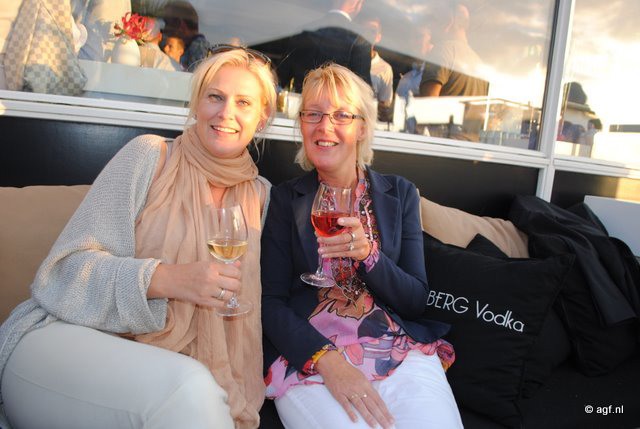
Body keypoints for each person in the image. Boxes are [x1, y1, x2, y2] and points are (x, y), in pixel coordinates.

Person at [0, 46, 277, 429]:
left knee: (197, 391)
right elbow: (62, 274)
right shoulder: (150, 156)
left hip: (162, 375)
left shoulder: (259, 197)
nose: (226, 112)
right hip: (64, 342)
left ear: (262, 118)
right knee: (191, 388)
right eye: (215, 96)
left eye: (243, 102)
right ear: (197, 104)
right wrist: (166, 279)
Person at [261, 63, 463, 429]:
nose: (324, 127)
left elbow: (415, 300)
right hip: (312, 356)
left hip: (397, 350)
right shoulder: (285, 199)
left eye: (341, 115)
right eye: (313, 114)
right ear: (301, 124)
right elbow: (270, 302)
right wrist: (326, 360)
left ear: (362, 128)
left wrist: (369, 256)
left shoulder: (400, 193)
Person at [276, 0, 372, 93]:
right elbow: (363, 89)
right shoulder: (360, 38)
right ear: (356, 3)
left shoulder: (303, 32)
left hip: (303, 101)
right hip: (336, 102)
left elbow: (279, 79)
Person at [419, 2, 488, 97]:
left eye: (434, 19)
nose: (430, 27)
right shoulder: (479, 63)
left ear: (449, 21)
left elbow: (428, 102)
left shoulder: (442, 51)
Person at [359, 14, 393, 122]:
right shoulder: (347, 59)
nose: (367, 33)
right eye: (364, 30)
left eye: (372, 31)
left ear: (378, 37)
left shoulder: (385, 69)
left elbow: (384, 105)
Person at [161, 0, 210, 71]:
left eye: (167, 23)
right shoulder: (190, 47)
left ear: (180, 24)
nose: (165, 28)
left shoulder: (199, 48)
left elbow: (194, 76)